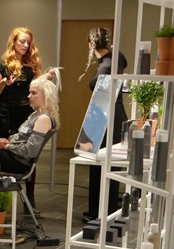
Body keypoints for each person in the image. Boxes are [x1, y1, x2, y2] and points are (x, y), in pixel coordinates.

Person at [0, 27, 50, 205]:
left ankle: (29, 200)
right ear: (13, 42)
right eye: (22, 41)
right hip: (6, 114)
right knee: (3, 150)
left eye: (28, 42)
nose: (25, 45)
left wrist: (47, 77)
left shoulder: (31, 65)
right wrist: (4, 82)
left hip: (26, 114)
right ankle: (1, 198)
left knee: (29, 155)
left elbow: (37, 88)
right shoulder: (0, 64)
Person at [78, 27, 127, 220]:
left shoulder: (106, 66)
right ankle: (104, 210)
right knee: (107, 163)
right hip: (114, 114)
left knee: (101, 162)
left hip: (107, 117)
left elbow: (99, 83)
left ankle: (100, 212)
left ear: (91, 45)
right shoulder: (116, 58)